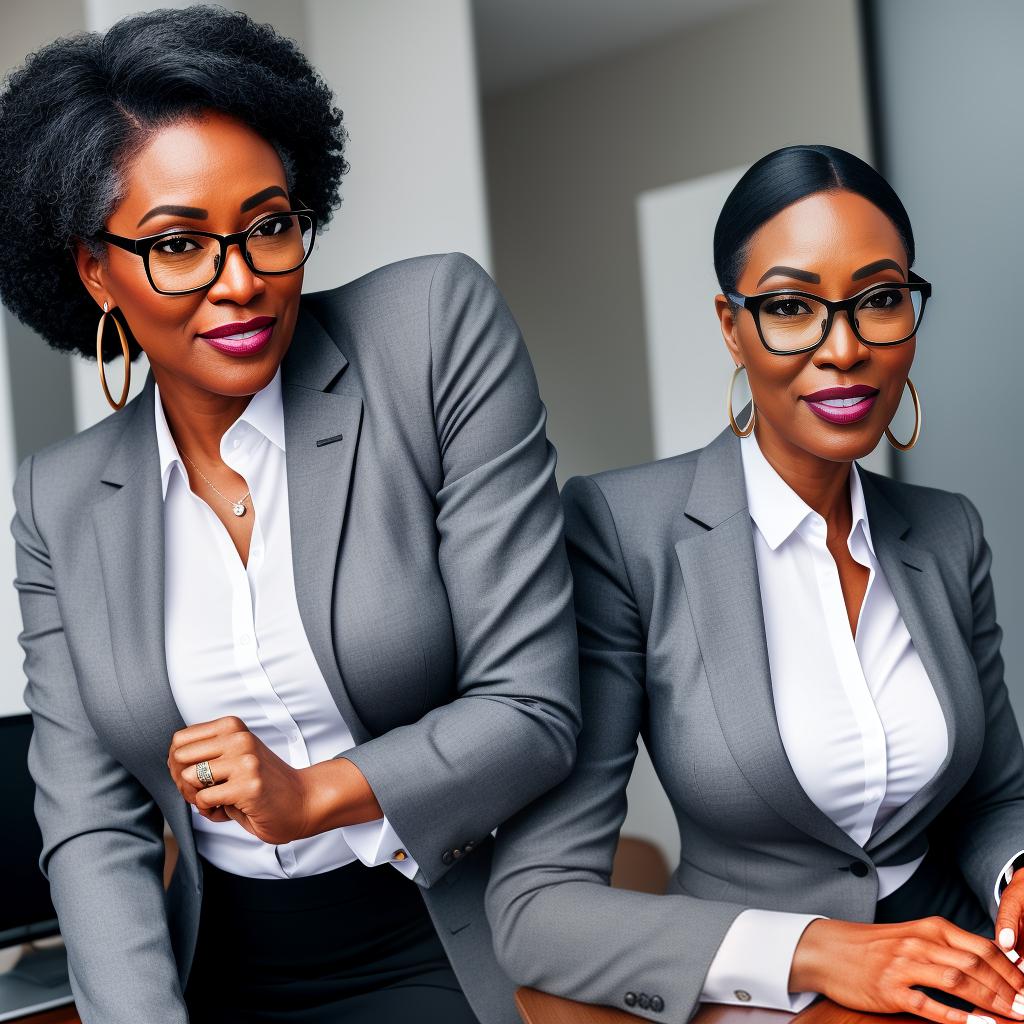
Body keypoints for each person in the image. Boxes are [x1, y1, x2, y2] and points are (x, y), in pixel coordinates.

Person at [0, 7, 579, 1024]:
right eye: (180, 244)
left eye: (269, 225)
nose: (244, 282)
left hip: (443, 938)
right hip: (216, 964)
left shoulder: (428, 334)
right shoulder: (61, 497)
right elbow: (92, 825)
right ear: (97, 271)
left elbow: (531, 709)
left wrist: (312, 793)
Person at [485, 144, 1024, 1024]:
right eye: (789, 307)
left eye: (880, 299)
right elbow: (537, 908)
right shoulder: (622, 531)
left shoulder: (947, 530)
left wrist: (1018, 872)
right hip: (763, 999)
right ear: (731, 326)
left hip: (964, 977)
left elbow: (996, 796)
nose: (843, 348)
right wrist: (820, 949)